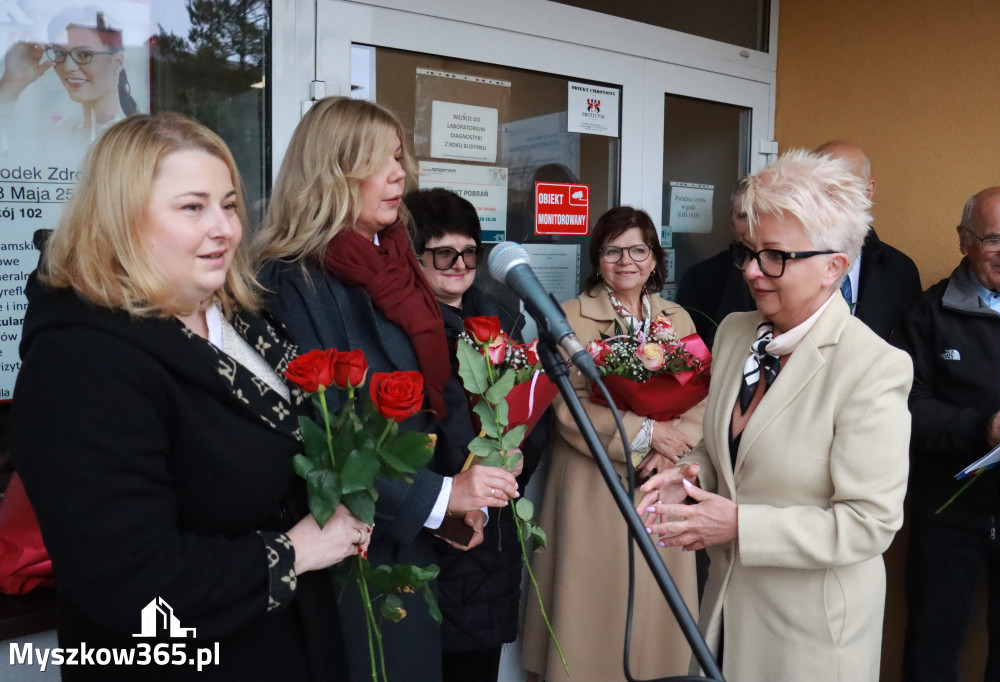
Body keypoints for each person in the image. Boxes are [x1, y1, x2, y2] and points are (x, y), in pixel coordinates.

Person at [9, 114, 363, 681]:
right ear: (121, 220)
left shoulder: (238, 320)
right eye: (193, 207)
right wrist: (293, 553)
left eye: (229, 204)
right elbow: (129, 581)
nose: (224, 228)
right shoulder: (82, 363)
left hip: (289, 643)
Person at [254, 97, 519, 682]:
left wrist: (456, 493)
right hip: (347, 546)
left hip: (406, 535)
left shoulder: (394, 264)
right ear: (333, 171)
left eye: (399, 157)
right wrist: (439, 497)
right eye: (380, 161)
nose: (400, 173)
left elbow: (433, 395)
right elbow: (324, 433)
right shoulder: (295, 279)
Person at [639, 149, 912, 682]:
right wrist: (689, 475)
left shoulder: (874, 366)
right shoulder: (738, 331)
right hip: (723, 617)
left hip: (811, 638)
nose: (751, 270)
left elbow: (869, 524)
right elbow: (727, 452)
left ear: (834, 267)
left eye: (775, 256)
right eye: (748, 250)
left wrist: (738, 524)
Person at [521, 206, 705, 682]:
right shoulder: (569, 317)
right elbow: (566, 408)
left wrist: (670, 448)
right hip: (592, 481)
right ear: (597, 258)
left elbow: (706, 392)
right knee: (594, 610)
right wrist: (644, 435)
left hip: (662, 482)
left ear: (654, 257)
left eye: (638, 249)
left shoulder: (676, 316)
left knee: (658, 608)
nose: (627, 261)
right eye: (613, 250)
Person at [407, 187, 548, 682]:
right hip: (430, 525)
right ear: (414, 254)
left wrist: (518, 457)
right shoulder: (401, 328)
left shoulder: (503, 319)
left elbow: (532, 410)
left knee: (476, 662)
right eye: (443, 252)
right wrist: (452, 486)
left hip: (491, 534)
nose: (459, 264)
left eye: (469, 251)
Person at [893, 186, 1000, 682]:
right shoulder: (927, 313)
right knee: (932, 646)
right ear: (964, 240)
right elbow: (901, 406)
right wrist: (979, 427)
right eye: (994, 239)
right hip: (947, 511)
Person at [813, 140, 921, 340]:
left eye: (841, 186)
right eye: (818, 185)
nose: (827, 198)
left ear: (867, 192)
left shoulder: (900, 271)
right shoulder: (779, 262)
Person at [0, 10, 139, 141]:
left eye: (84, 55)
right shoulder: (56, 135)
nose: (68, 67)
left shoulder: (134, 139)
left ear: (117, 63)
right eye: (59, 53)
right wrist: (12, 83)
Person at [675, 184, 754, 348]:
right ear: (731, 221)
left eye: (758, 215)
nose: (751, 224)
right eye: (743, 215)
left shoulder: (788, 274)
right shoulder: (698, 277)